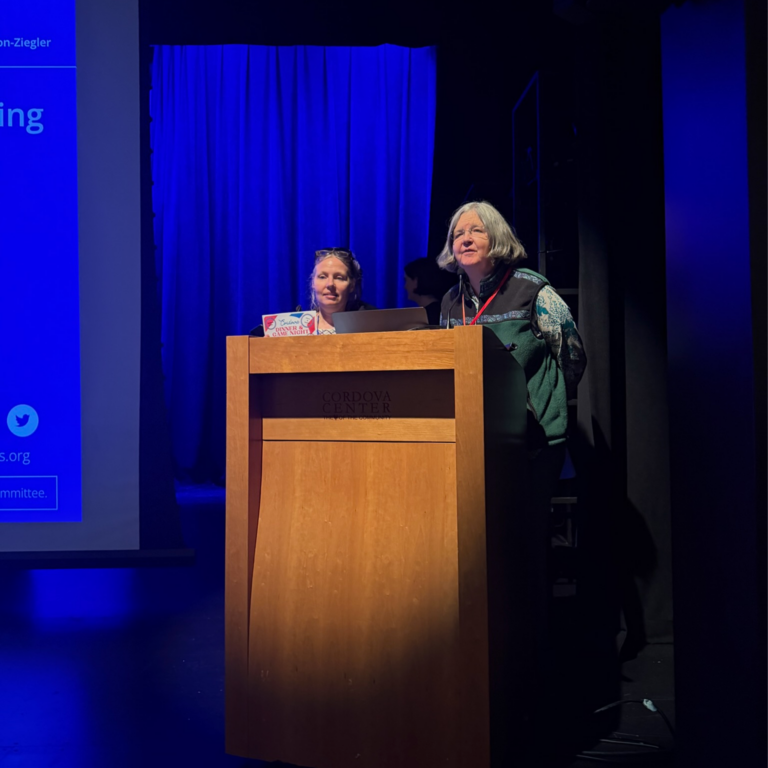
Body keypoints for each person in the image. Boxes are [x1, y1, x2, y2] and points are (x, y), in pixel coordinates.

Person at [437, 201, 586, 513]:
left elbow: (572, 354)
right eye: (458, 233)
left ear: (497, 238)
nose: (465, 239)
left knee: (527, 533)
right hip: (474, 438)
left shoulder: (533, 290)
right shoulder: (450, 301)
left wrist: (550, 400)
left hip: (534, 438)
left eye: (476, 231)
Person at [310, 248, 373, 334]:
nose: (330, 284)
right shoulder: (296, 326)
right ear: (313, 282)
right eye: (322, 277)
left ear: (352, 285)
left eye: (339, 278)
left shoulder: (371, 327)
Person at [403, 258, 459, 326]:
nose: (405, 286)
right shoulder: (441, 309)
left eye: (406, 280)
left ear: (416, 281)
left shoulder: (431, 315)